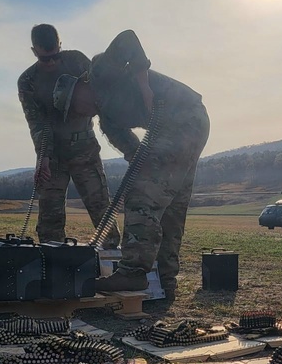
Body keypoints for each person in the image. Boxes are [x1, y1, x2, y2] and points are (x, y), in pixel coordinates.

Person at [56, 29, 209, 301]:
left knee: (142, 196)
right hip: (175, 131)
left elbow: (128, 39)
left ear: (80, 87)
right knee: (170, 202)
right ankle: (165, 281)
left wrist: (144, 86)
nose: (80, 114)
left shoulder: (100, 70)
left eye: (75, 106)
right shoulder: (108, 123)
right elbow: (136, 153)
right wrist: (142, 169)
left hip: (186, 116)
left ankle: (133, 272)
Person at [17, 24, 119, 247]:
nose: (52, 62)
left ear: (60, 46)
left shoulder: (78, 61)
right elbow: (37, 123)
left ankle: (114, 261)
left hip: (85, 149)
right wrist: (43, 158)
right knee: (49, 218)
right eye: (45, 59)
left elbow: (102, 96)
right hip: (52, 156)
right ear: (34, 51)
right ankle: (54, 264)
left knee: (101, 208)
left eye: (56, 55)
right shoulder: (28, 81)